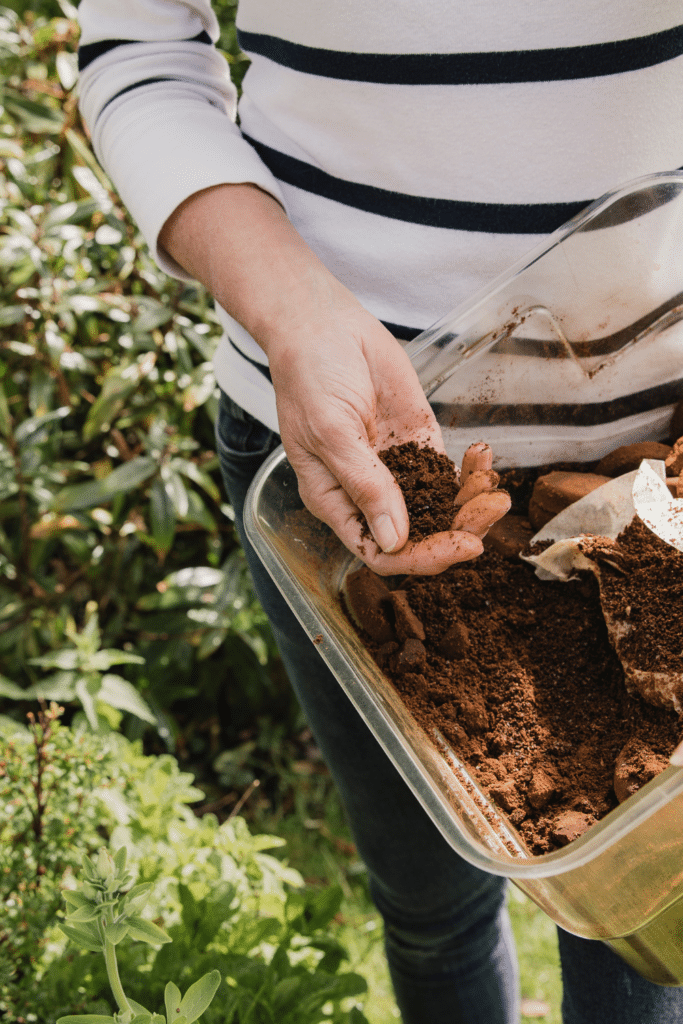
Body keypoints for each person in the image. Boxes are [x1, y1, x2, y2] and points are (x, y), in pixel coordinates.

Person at [76, 2, 683, 1020]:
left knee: (642, 924)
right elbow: (136, 49)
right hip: (343, 475)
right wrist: (289, 306)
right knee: (429, 903)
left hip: (650, 460)